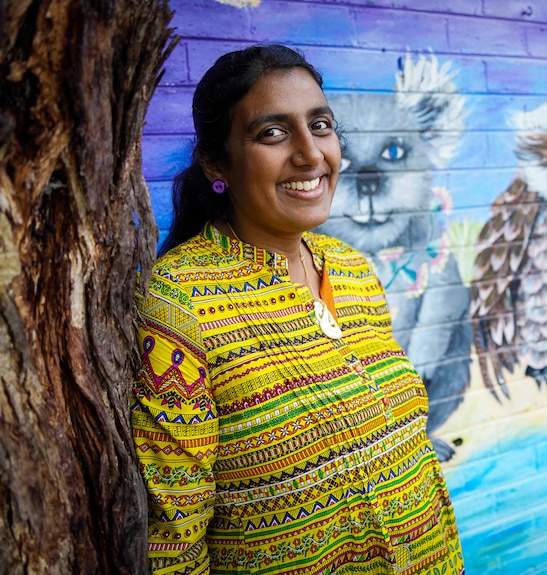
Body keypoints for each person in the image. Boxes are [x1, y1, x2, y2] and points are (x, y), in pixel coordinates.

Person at [131, 44, 465, 575]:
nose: (312, 154)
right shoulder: (182, 305)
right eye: (273, 132)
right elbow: (173, 537)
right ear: (217, 163)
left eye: (321, 126)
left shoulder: (352, 270)